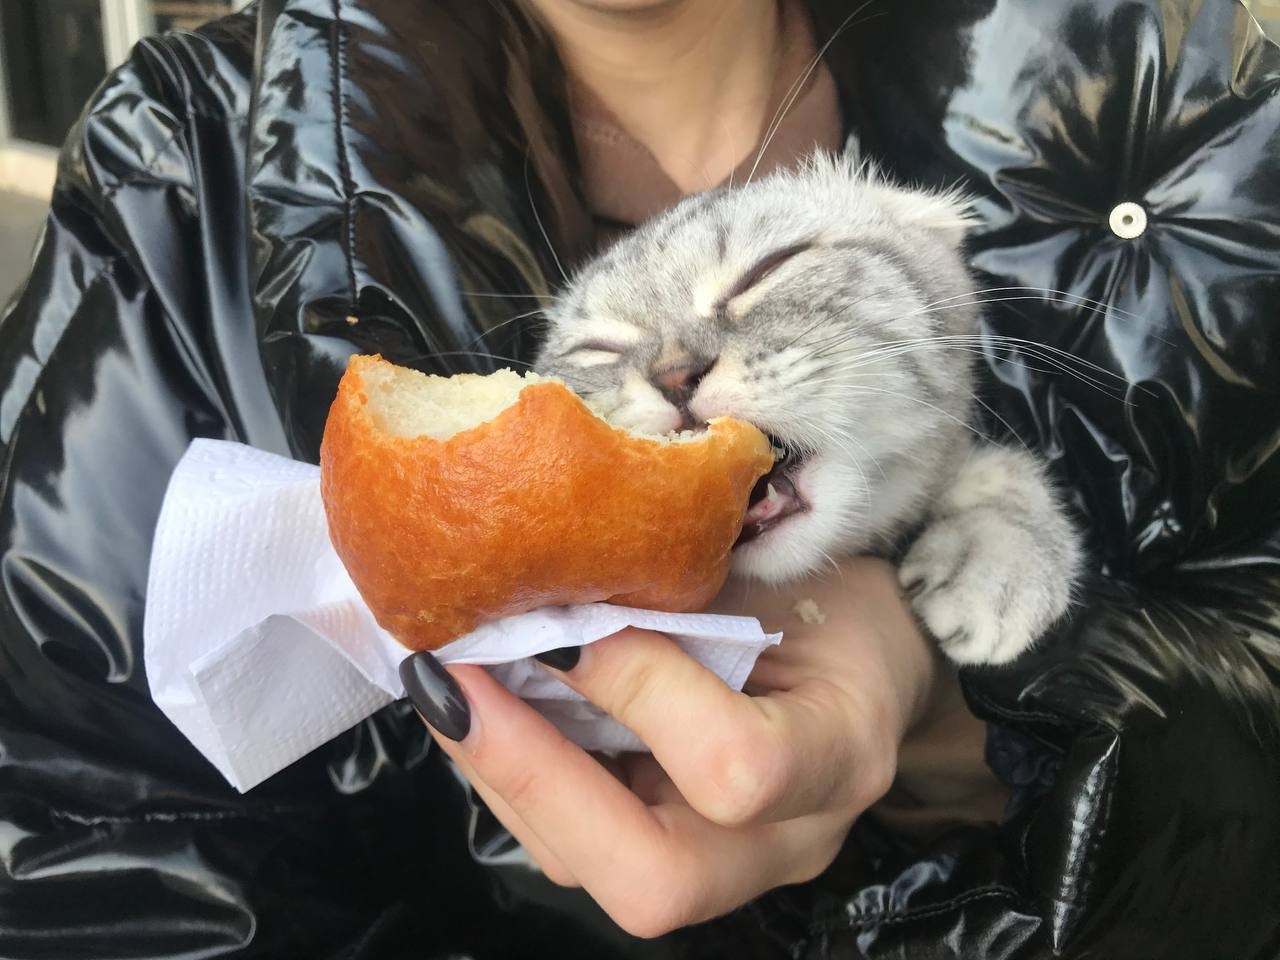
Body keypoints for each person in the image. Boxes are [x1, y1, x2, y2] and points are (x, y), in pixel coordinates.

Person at [0, 1, 1277, 958]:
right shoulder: (192, 164)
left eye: (758, 283)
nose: (673, 370)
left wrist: (962, 715)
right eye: (608, 353)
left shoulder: (1180, 92)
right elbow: (81, 845)